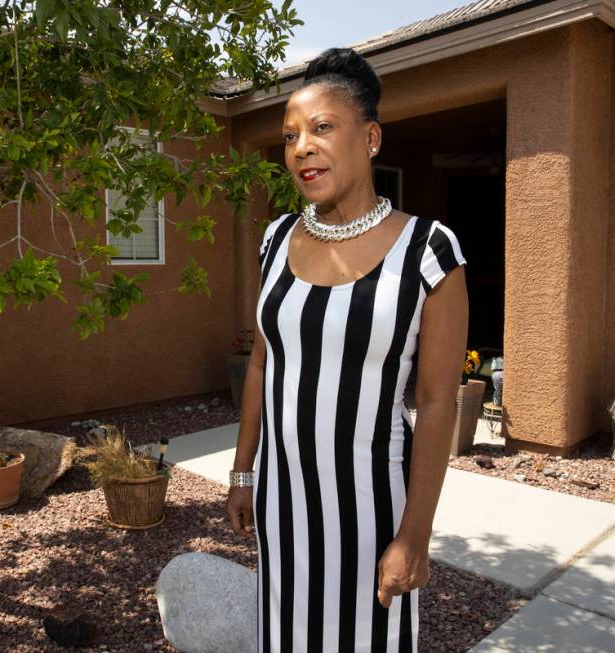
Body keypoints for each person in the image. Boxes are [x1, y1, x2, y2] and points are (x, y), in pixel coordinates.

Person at [224, 46, 469, 653]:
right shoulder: (276, 239)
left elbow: (438, 402)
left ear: (372, 137)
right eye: (290, 136)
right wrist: (241, 471)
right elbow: (262, 362)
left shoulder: (427, 250)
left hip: (371, 510)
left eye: (322, 128)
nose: (301, 146)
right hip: (281, 504)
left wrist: (415, 534)